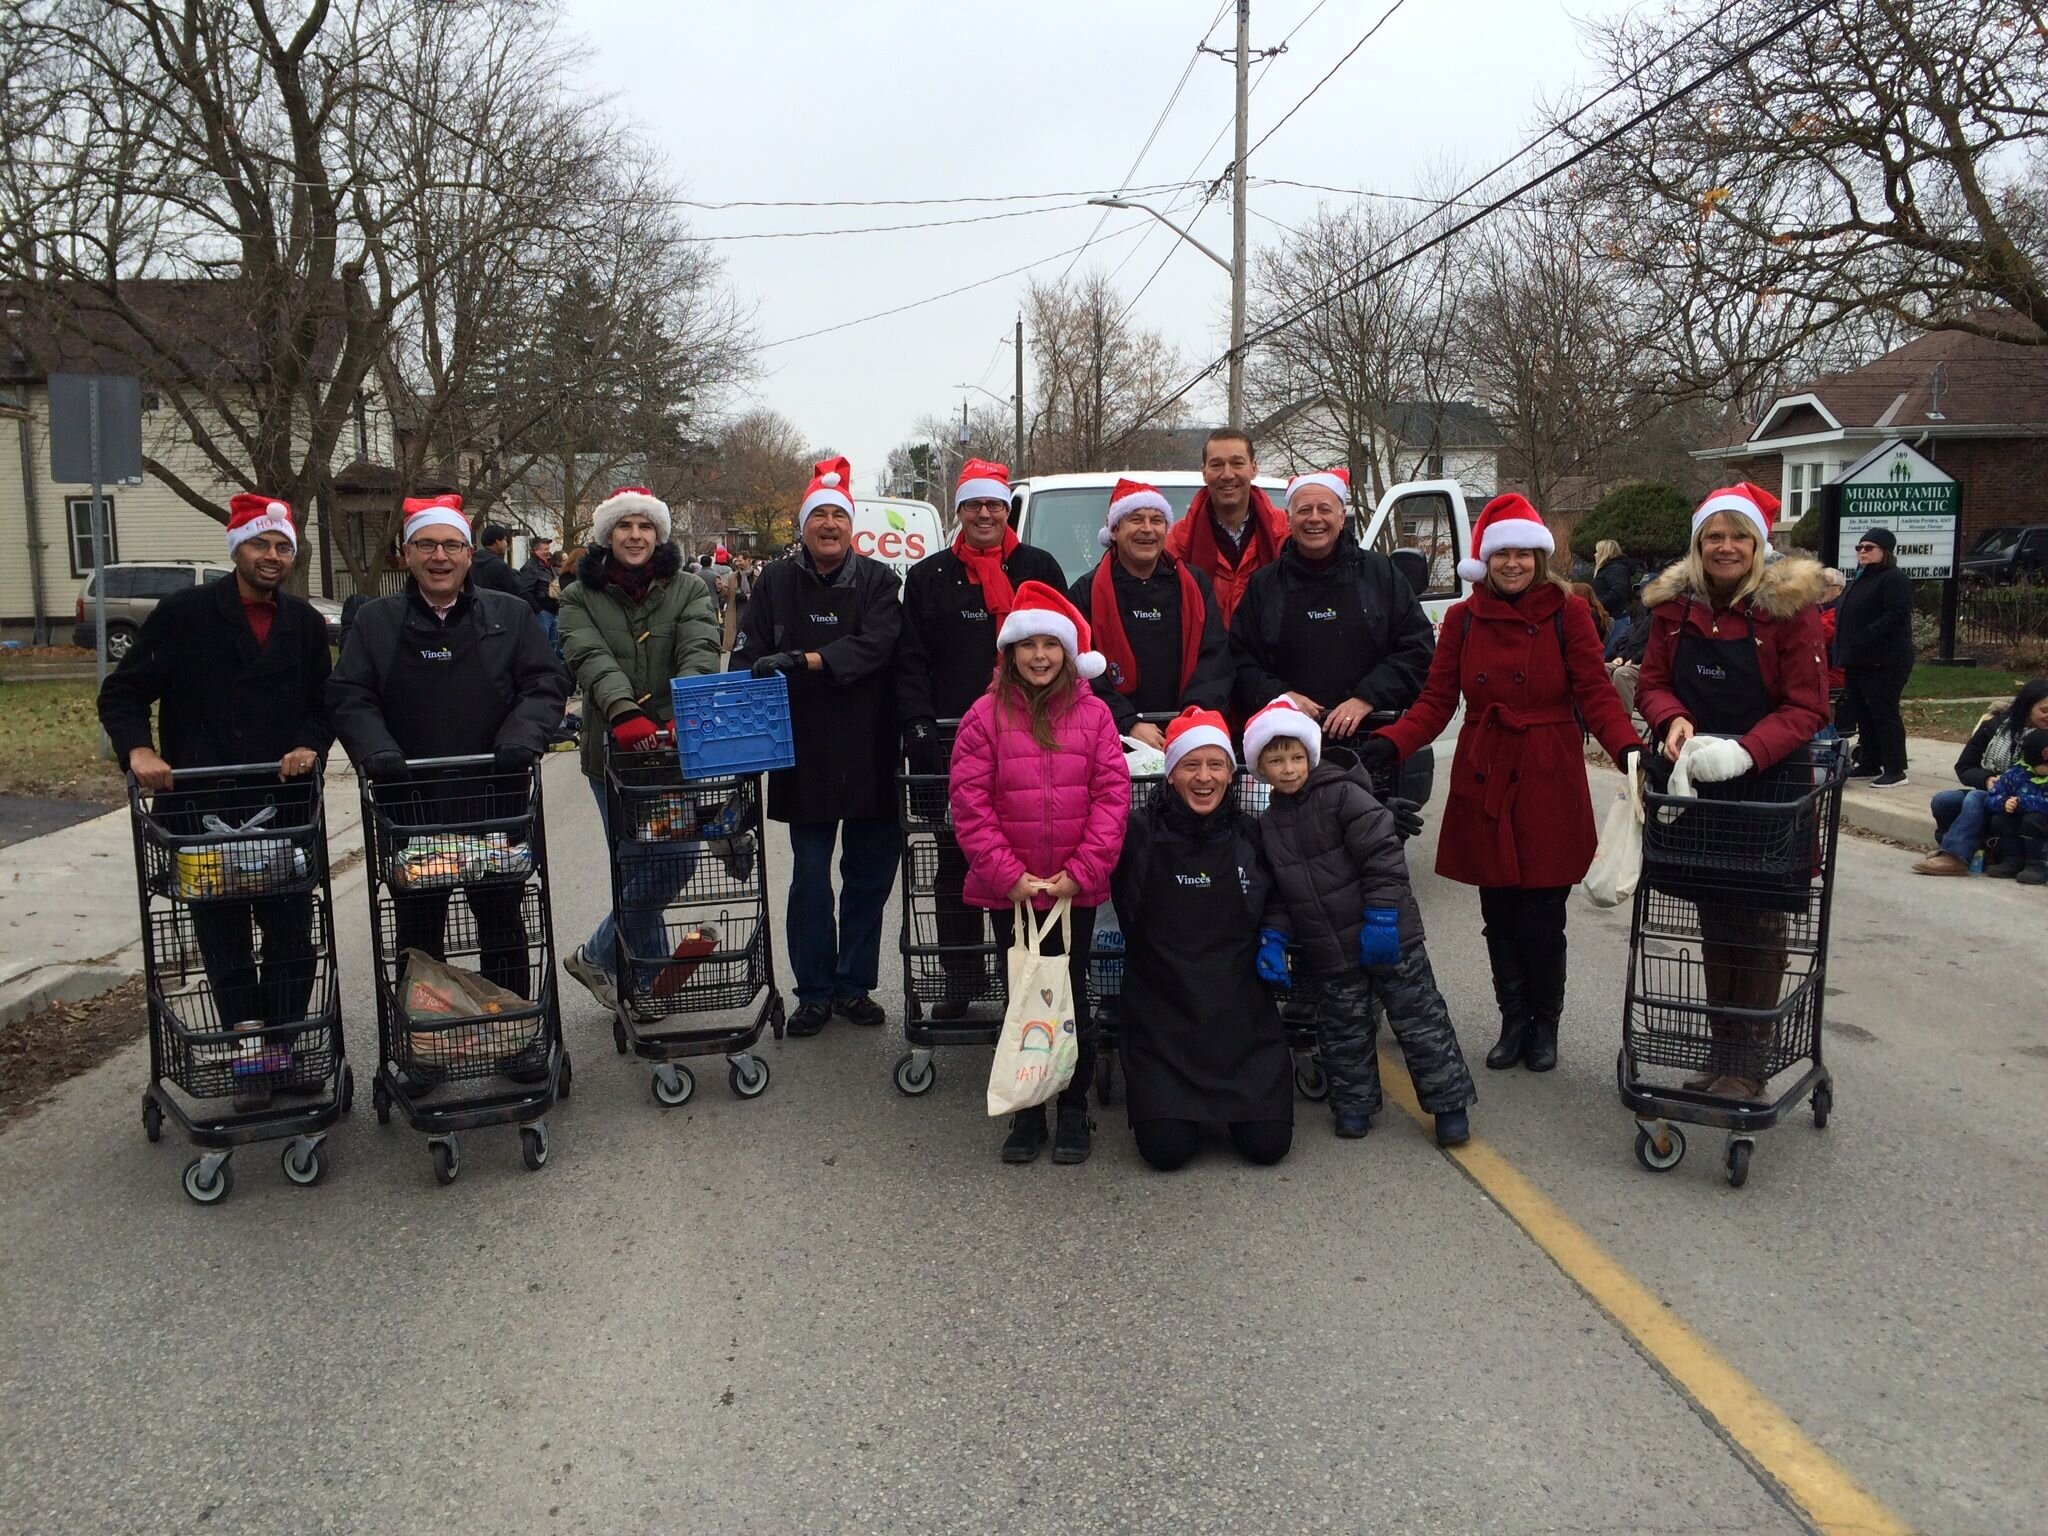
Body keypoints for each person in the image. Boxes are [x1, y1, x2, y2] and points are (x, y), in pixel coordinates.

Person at [1362, 494, 1643, 1074]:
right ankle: (1513, 1020)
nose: (1511, 564)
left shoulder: (1568, 615)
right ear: (1484, 561)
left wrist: (1630, 751)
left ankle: (1546, 1024)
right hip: (1485, 768)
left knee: (1542, 913)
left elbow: (1594, 691)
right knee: (1499, 912)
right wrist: (1392, 741)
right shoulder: (1463, 620)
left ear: (1539, 558)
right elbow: (1438, 699)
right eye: (1501, 554)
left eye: (1522, 554)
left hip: (1546, 770)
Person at [98, 493, 331, 1109]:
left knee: (291, 934)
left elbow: (322, 700)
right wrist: (139, 752)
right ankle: (251, 1055)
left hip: (279, 805)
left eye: (282, 547)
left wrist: (309, 743)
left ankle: (284, 1044)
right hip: (201, 807)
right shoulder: (185, 615)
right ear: (237, 550)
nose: (273, 557)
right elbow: (123, 693)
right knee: (224, 936)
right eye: (260, 545)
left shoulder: (303, 623)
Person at [327, 494, 568, 1014]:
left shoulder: (510, 614)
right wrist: (377, 749)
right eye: (427, 545)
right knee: (418, 927)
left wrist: (522, 737)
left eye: (452, 545)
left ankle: (513, 1028)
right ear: (407, 554)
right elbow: (350, 695)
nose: (440, 556)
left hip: (495, 795)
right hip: (411, 802)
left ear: (468, 554)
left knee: (502, 920)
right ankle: (426, 1037)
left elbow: (545, 683)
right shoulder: (376, 622)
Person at [1634, 482, 1829, 1101]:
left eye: (1738, 536)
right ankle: (1722, 1055)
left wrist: (1744, 751)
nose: (1725, 547)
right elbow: (1652, 684)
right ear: (1698, 544)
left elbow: (1808, 706)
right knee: (1715, 916)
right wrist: (1672, 720)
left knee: (1760, 924)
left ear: (1757, 544)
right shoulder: (1675, 611)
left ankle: (1748, 1064)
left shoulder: (1788, 612)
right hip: (1699, 788)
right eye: (1714, 536)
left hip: (1770, 787)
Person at [948, 583, 1130, 1165]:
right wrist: (1008, 875)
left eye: (1053, 644)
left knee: (1071, 996)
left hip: (1072, 891)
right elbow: (970, 804)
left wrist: (1082, 871)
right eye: (1029, 645)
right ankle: (1028, 1112)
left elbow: (1111, 797)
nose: (1041, 655)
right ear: (1010, 653)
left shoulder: (1095, 714)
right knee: (1022, 998)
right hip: (1015, 893)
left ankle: (1073, 1109)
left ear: (1070, 653)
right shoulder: (983, 717)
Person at [1246, 698, 1475, 1145]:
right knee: (1343, 1029)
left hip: (1389, 935)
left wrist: (1384, 917)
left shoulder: (1346, 795)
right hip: (1330, 946)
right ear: (1260, 768)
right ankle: (1353, 1105)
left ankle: (1449, 1104)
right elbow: (1279, 892)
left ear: (1310, 756)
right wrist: (1273, 935)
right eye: (1275, 760)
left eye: (1295, 757)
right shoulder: (1269, 824)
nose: (1288, 768)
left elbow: (1383, 858)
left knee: (1420, 1020)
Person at [731, 456, 904, 1037]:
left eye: (838, 514)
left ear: (850, 525)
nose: (829, 523)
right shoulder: (776, 582)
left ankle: (854, 984)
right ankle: (814, 991)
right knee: (809, 878)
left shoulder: (880, 582)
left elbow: (878, 646)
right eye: (818, 515)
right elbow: (749, 651)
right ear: (803, 526)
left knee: (869, 876)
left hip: (872, 749)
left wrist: (809, 660)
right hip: (800, 753)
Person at [897, 459, 1068, 1020]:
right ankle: (963, 977)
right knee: (957, 865)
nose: (986, 514)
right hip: (950, 745)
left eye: (995, 504)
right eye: (974, 505)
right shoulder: (927, 578)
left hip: (1035, 739)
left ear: (1007, 509)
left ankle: (1029, 973)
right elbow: (912, 661)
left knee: (1031, 859)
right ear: (960, 511)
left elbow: (1064, 650)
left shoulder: (1038, 567)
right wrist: (918, 723)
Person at [557, 487, 722, 1010]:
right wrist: (623, 710)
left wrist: (681, 711)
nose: (635, 536)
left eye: (645, 527)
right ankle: (648, 984)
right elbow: (588, 655)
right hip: (613, 755)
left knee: (674, 861)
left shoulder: (690, 587)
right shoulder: (578, 596)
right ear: (608, 534)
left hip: (674, 751)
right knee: (634, 863)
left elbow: (699, 647)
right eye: (625, 526)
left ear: (658, 535)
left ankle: (597, 953)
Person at [1110, 708, 1294, 1171]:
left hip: (1240, 1020)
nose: (1204, 777)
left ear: (1232, 775)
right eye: (1190, 765)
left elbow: (1283, 893)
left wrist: (1273, 936)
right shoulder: (1135, 833)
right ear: (1170, 774)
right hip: (1162, 1019)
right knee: (1166, 1153)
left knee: (1268, 1148)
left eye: (1216, 765)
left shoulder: (1251, 833)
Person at [1230, 467, 1435, 745]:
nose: (1314, 518)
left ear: (1341, 517)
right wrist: (1282, 698)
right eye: (1304, 510)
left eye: (1324, 509)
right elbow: (1240, 661)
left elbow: (1417, 650)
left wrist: (1367, 698)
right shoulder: (1264, 585)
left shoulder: (1380, 575)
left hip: (1371, 741)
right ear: (1289, 519)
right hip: (1287, 750)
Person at [1066, 476, 1232, 750]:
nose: (1147, 529)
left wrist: (1194, 717)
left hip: (1191, 732)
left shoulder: (1194, 584)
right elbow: (1078, 668)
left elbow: (1215, 656)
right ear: (1115, 530)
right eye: (1135, 519)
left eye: (1156, 520)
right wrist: (1128, 723)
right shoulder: (1086, 592)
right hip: (1112, 737)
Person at [1913, 678, 2048, 875]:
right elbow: (1965, 766)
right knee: (1944, 801)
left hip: (2030, 803)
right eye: (2044, 710)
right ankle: (1971, 848)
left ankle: (1955, 857)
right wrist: (1986, 779)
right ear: (2027, 708)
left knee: (1975, 798)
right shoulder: (1997, 727)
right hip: (1996, 794)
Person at [1164, 427, 1289, 630]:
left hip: (1271, 658)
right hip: (1204, 657)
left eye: (1237, 463)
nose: (1227, 474)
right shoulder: (1177, 542)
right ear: (1204, 472)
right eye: (1217, 465)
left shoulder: (1286, 533)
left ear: (1253, 468)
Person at [1834, 527, 1916, 786]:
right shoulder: (1862, 578)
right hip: (1858, 659)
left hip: (1885, 660)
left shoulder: (1894, 579)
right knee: (1862, 711)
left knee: (1884, 711)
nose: (1862, 552)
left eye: (1869, 548)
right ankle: (1869, 761)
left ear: (1885, 551)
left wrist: (1868, 634)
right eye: (1859, 548)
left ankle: (1895, 768)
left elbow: (1897, 614)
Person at [1982, 727, 2048, 883]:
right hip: (2018, 822)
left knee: (2033, 819)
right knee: (2001, 819)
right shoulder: (2015, 774)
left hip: (2041, 824)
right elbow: (1991, 798)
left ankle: (2037, 865)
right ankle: (2012, 860)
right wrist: (2004, 803)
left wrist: (2023, 802)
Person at [469, 515, 529, 600]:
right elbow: (516, 589)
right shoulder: (499, 565)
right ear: (497, 541)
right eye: (504, 539)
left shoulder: (472, 561)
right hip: (498, 608)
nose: (506, 543)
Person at [519, 535, 561, 648]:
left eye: (548, 549)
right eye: (545, 549)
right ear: (536, 550)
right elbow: (525, 591)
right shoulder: (530, 568)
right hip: (542, 613)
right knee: (543, 647)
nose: (548, 552)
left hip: (552, 611)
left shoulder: (548, 565)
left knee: (553, 646)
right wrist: (539, 610)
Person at [1590, 539, 1633, 619]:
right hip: (1610, 616)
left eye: (1597, 552)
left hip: (1615, 617)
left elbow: (1618, 592)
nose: (1595, 555)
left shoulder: (1616, 569)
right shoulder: (1609, 569)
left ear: (1605, 553)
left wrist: (1598, 604)